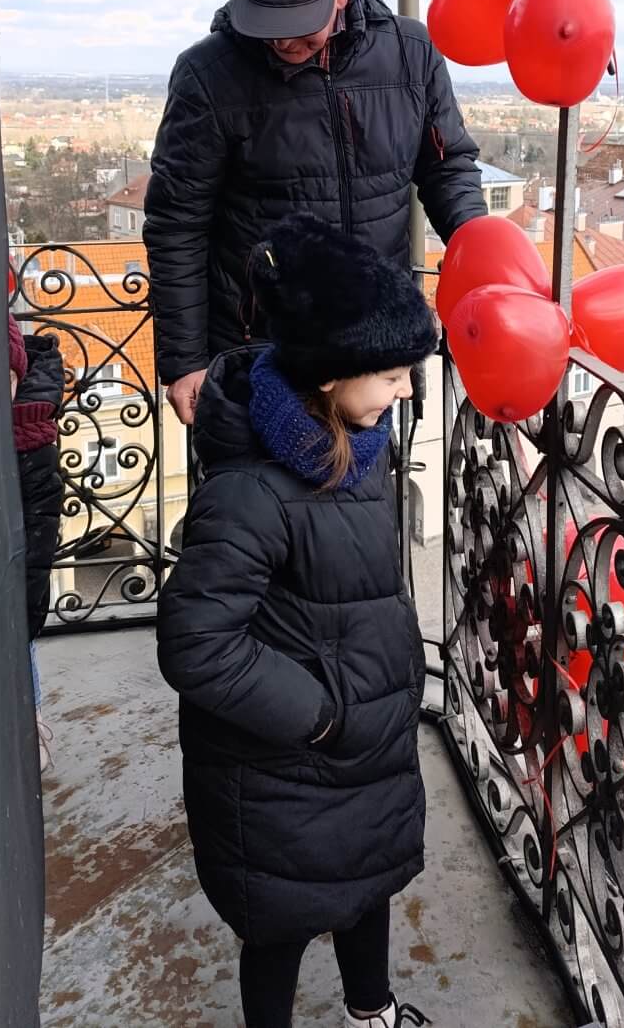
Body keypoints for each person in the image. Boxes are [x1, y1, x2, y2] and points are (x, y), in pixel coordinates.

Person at [157, 216, 438, 1028]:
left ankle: (371, 1010)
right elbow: (198, 643)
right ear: (331, 377)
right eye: (393, 376)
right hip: (286, 761)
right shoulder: (252, 492)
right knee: (281, 922)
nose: (407, 392)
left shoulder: (359, 449)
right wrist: (319, 715)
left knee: (367, 884)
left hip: (363, 743)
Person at [144, 0, 486, 425]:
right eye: (271, 30)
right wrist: (185, 362)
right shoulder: (208, 75)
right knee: (253, 479)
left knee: (366, 478)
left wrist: (483, 259)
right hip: (259, 352)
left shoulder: (410, 53)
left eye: (302, 30)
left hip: (370, 348)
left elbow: (448, 170)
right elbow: (177, 223)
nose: (285, 45)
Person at [8, 312, 67, 773]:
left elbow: (40, 526)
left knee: (17, 631)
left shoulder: (30, 429)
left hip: (19, 573)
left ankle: (30, 716)